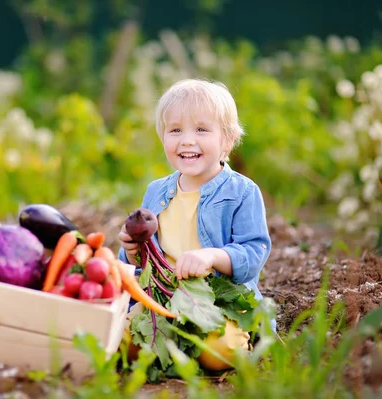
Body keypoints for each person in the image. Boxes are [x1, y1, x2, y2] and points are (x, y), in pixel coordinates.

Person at [117, 78, 274, 347]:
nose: (187, 141)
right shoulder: (156, 192)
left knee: (221, 347)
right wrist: (132, 251)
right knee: (122, 340)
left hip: (218, 300)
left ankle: (191, 343)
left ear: (227, 139)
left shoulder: (242, 192)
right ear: (163, 137)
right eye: (175, 130)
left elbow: (252, 253)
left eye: (201, 129)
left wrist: (212, 256)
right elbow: (140, 266)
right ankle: (174, 340)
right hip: (164, 297)